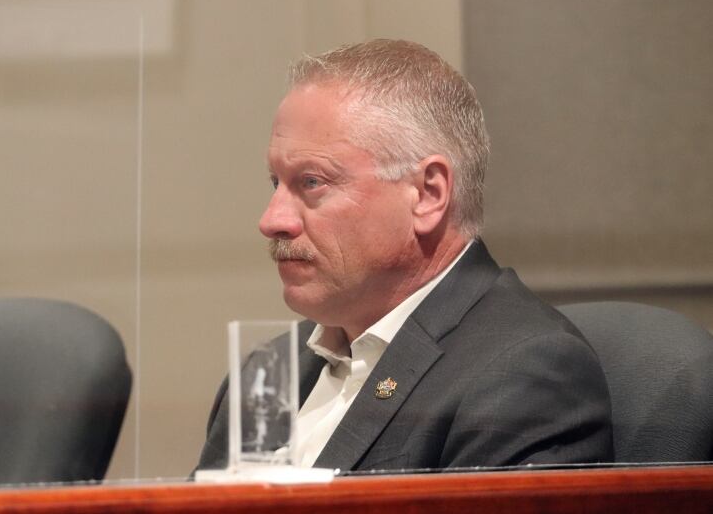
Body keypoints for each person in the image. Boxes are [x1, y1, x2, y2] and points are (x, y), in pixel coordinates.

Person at [197, 39, 613, 472]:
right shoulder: (268, 371)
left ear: (428, 195)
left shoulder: (526, 375)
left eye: (312, 182)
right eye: (275, 184)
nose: (273, 220)